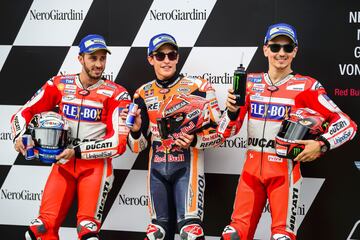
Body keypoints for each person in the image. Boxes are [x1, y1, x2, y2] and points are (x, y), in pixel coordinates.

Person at [218, 23, 358, 240]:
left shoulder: (307, 86)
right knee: (234, 235)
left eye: (287, 47)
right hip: (250, 172)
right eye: (275, 47)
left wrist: (321, 144)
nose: (281, 53)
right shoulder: (249, 83)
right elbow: (226, 132)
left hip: (284, 173)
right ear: (265, 49)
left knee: (282, 237)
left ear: (295, 51)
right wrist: (232, 111)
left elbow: (348, 124)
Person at [11, 34, 131, 240]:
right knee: (41, 229)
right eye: (93, 58)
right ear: (80, 58)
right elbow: (22, 113)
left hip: (95, 167)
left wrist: (77, 151)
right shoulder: (58, 84)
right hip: (63, 164)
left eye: (102, 58)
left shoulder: (117, 94)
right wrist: (20, 136)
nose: (99, 64)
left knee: (87, 231)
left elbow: (118, 144)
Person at [124, 33, 223, 240]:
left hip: (188, 167)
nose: (167, 60)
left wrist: (195, 140)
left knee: (191, 233)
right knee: (156, 234)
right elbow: (136, 147)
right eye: (160, 56)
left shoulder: (199, 87)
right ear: (151, 59)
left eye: (171, 55)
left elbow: (220, 134)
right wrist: (135, 131)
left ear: (178, 57)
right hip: (157, 168)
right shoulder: (142, 93)